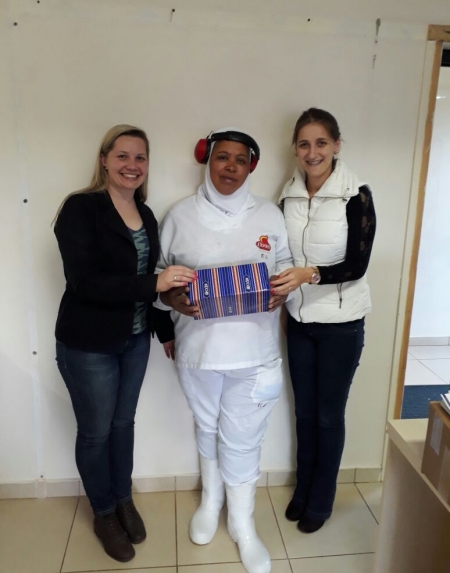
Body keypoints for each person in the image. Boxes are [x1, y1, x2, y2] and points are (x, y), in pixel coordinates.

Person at [53, 124, 196, 562]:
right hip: (88, 345)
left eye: (140, 158)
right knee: (95, 433)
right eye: (122, 156)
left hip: (135, 341)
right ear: (104, 159)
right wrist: (155, 283)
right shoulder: (81, 208)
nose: (132, 166)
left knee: (122, 425)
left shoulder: (146, 214)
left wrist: (166, 331)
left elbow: (151, 283)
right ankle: (103, 512)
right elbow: (84, 281)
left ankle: (123, 499)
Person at [157, 128, 293, 573]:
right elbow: (159, 276)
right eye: (222, 157)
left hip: (256, 352)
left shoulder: (269, 215)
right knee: (207, 425)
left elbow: (286, 266)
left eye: (240, 159)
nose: (230, 167)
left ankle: (242, 523)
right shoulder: (179, 216)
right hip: (199, 351)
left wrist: (283, 290)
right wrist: (171, 299)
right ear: (207, 160)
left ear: (251, 166)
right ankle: (211, 501)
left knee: (244, 438)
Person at [271, 108, 376, 534]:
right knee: (304, 414)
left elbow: (357, 264)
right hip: (299, 321)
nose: (312, 152)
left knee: (329, 416)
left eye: (320, 143)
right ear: (295, 149)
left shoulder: (357, 196)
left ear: (336, 145)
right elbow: (280, 255)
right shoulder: (288, 195)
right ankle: (302, 489)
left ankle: (321, 499)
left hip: (342, 324)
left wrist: (309, 274)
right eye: (304, 144)